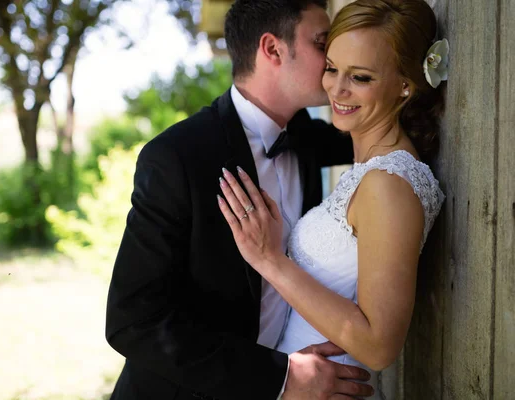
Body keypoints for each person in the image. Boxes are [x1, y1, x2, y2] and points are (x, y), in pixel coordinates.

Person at [105, 0, 376, 399]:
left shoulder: (305, 133)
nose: (333, 58)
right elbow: (133, 321)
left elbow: (381, 120)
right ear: (272, 49)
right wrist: (281, 379)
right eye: (323, 43)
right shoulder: (177, 157)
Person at [217, 0, 447, 398]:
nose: (337, 90)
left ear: (406, 84)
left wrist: (270, 260)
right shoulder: (368, 171)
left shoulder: (388, 184)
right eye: (331, 68)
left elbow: (378, 346)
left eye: (359, 77)